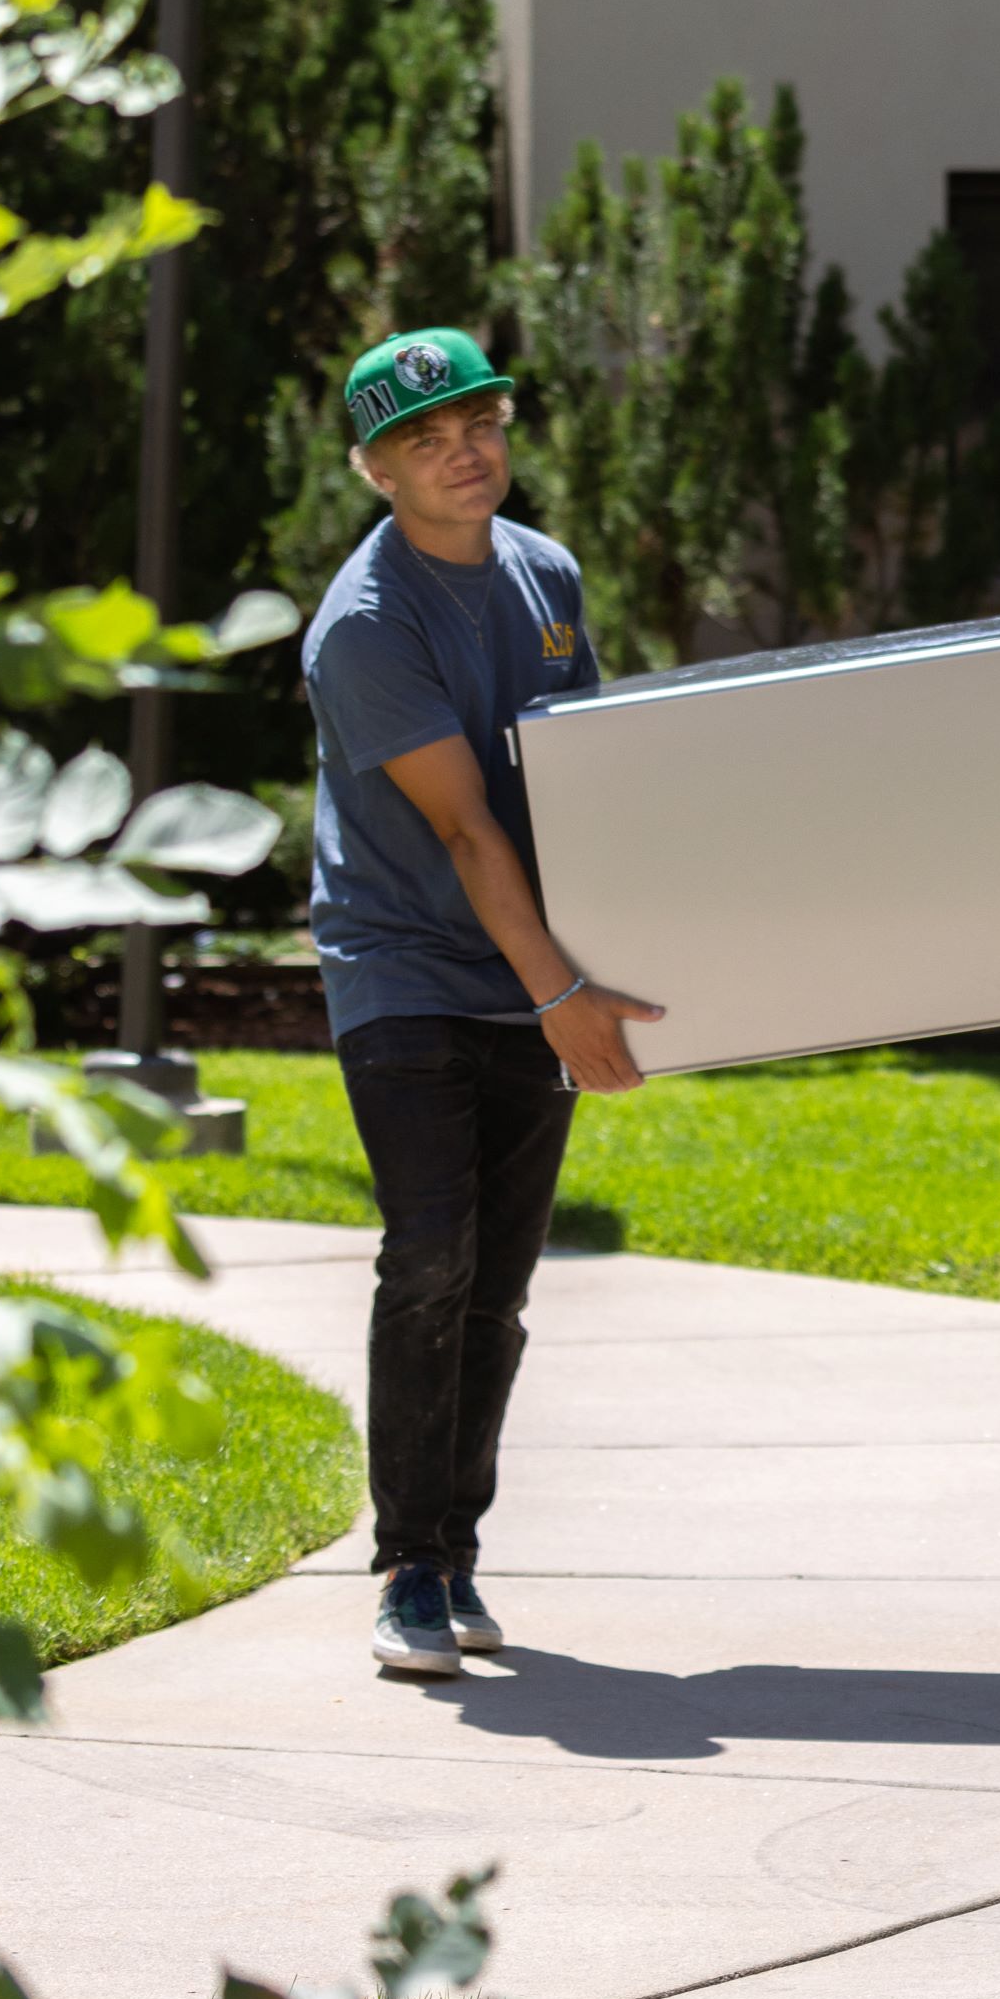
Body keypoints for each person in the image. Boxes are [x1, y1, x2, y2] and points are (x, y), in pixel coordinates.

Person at [303, 328, 663, 1680]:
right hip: (402, 962)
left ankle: (456, 1553)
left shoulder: (546, 574)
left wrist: (609, 963)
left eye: (479, 421)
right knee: (433, 1254)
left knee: (501, 1285)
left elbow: (587, 786)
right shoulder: (368, 623)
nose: (463, 451)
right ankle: (404, 1566)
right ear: (374, 471)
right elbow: (463, 831)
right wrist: (562, 990)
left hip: (527, 964)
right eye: (423, 440)